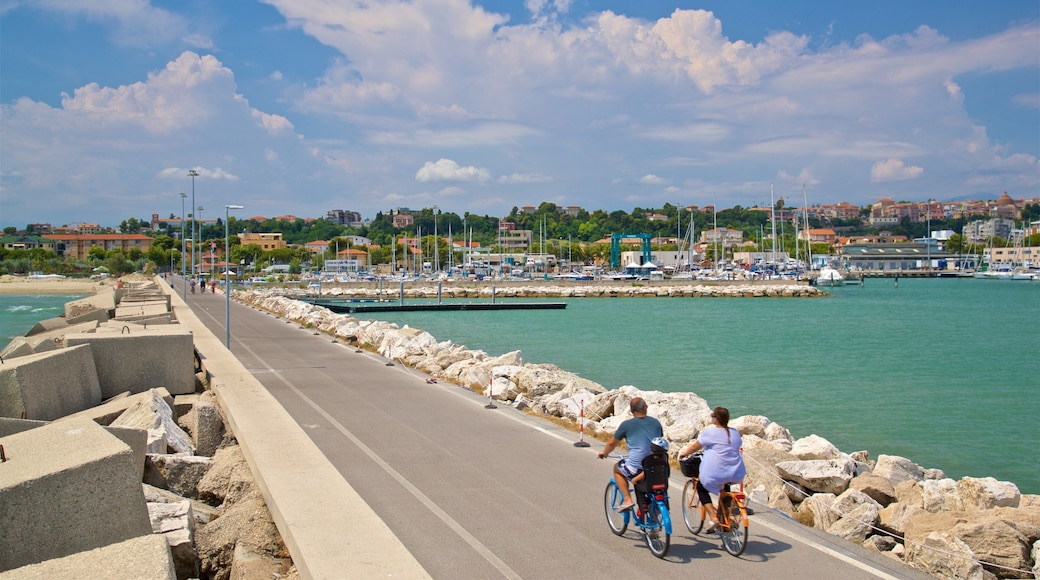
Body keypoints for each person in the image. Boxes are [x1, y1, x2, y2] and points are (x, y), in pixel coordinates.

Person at [679, 406, 746, 530]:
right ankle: (723, 520)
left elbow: (695, 447)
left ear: (716, 419)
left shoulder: (710, 433)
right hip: (736, 472)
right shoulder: (735, 433)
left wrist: (684, 453)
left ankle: (713, 518)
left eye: (712, 416)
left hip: (717, 472)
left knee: (701, 488)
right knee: (725, 487)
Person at [597, 397, 664, 512]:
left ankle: (627, 499)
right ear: (645, 408)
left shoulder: (626, 425)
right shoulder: (656, 423)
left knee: (617, 468)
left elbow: (612, 443)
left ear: (631, 411)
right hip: (658, 465)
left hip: (638, 467)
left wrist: (605, 452)